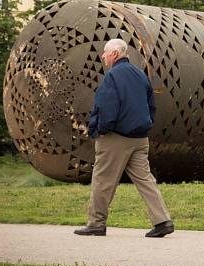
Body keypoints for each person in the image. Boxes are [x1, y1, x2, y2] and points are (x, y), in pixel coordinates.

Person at [74, 38, 173, 238]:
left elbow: (106, 106)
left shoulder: (112, 76)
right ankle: (163, 221)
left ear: (115, 54)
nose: (103, 56)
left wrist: (101, 129)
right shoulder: (140, 74)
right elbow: (151, 104)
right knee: (145, 180)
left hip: (115, 137)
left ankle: (96, 223)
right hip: (140, 137)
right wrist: (146, 124)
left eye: (105, 52)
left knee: (103, 180)